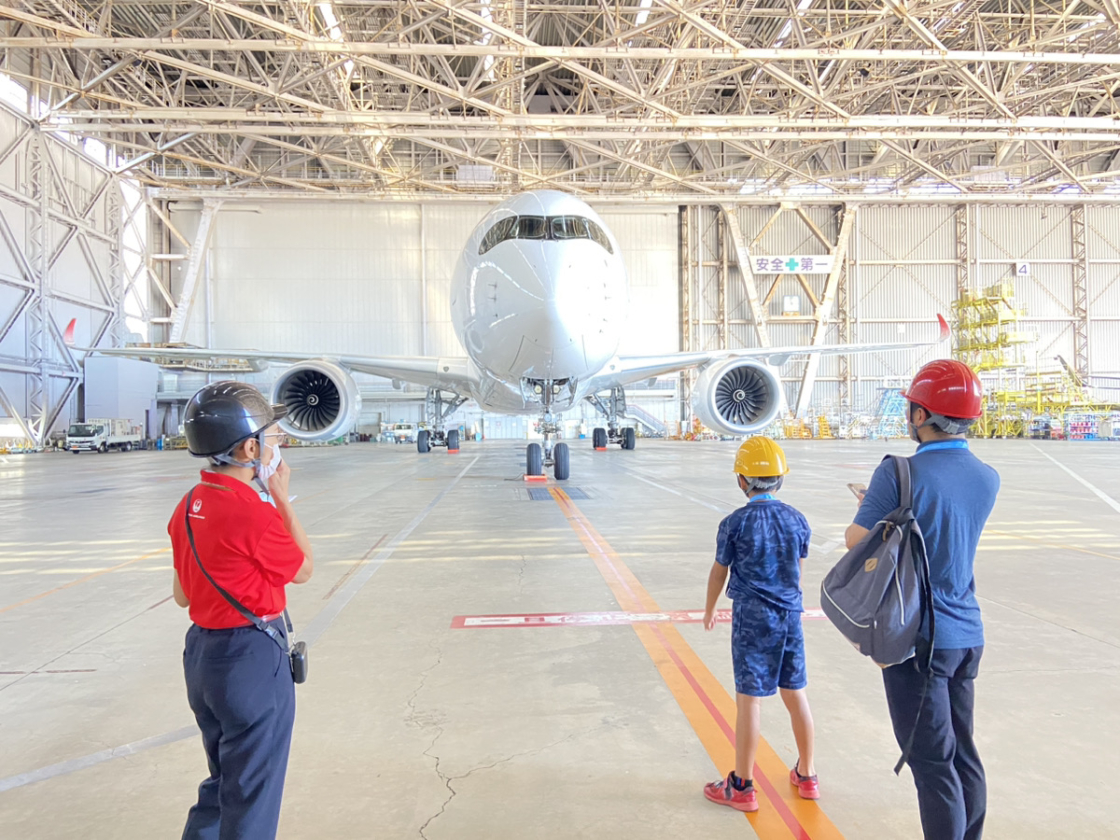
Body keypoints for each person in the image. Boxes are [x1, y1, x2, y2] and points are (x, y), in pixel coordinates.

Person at [845, 359, 999, 840]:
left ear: (919, 415)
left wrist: (872, 504)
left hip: (917, 640)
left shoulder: (898, 473)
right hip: (965, 636)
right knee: (963, 755)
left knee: (933, 767)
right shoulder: (987, 477)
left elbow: (857, 539)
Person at [168, 381, 314, 840]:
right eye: (272, 437)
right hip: (250, 661)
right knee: (253, 795)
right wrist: (282, 498)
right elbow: (305, 568)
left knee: (224, 781)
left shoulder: (187, 506)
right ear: (250, 447)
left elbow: (183, 596)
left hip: (201, 660)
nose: (279, 443)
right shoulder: (252, 512)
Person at [702, 436, 819, 813]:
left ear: (741, 480)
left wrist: (709, 609)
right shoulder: (797, 519)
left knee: (749, 700)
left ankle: (742, 785)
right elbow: (798, 574)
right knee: (795, 692)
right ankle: (807, 774)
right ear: (780, 479)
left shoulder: (734, 523)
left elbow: (719, 571)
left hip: (752, 619)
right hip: (789, 617)